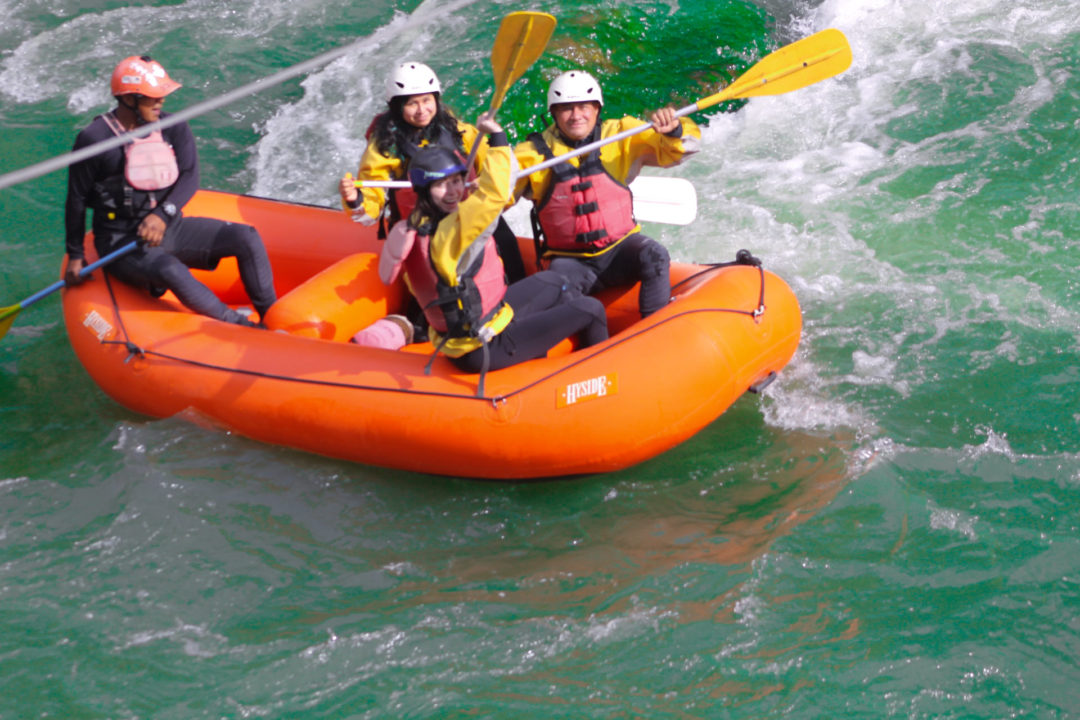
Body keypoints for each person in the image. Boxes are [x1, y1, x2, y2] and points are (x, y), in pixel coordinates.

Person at [377, 112, 608, 376]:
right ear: (424, 190)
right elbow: (497, 191)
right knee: (592, 309)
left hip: (469, 332)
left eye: (456, 181)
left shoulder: (413, 225)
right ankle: (596, 380)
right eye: (441, 185)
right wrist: (497, 137)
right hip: (486, 345)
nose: (452, 192)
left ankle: (543, 351)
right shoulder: (457, 228)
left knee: (554, 282)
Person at [64, 55, 276, 326]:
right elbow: (77, 199)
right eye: (152, 98)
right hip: (121, 241)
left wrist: (162, 215)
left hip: (171, 227)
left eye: (161, 96)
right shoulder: (94, 139)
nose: (161, 102)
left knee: (246, 237)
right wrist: (76, 256)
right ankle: (241, 326)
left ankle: (271, 318)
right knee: (170, 268)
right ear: (128, 99)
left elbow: (190, 176)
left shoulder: (173, 127)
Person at [514, 70, 702, 318]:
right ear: (554, 113)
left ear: (597, 109)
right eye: (566, 108)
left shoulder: (621, 135)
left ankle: (654, 327)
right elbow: (496, 196)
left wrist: (674, 131)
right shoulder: (530, 155)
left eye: (584, 107)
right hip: (571, 262)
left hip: (620, 251)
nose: (576, 116)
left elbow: (683, 151)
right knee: (558, 291)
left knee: (655, 254)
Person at [337, 61, 526, 284]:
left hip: (471, 215)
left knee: (506, 244)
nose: (421, 111)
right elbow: (371, 206)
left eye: (427, 100)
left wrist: (483, 183)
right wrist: (355, 199)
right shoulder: (386, 146)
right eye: (412, 104)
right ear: (397, 106)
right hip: (427, 229)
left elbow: (497, 169)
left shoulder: (458, 130)